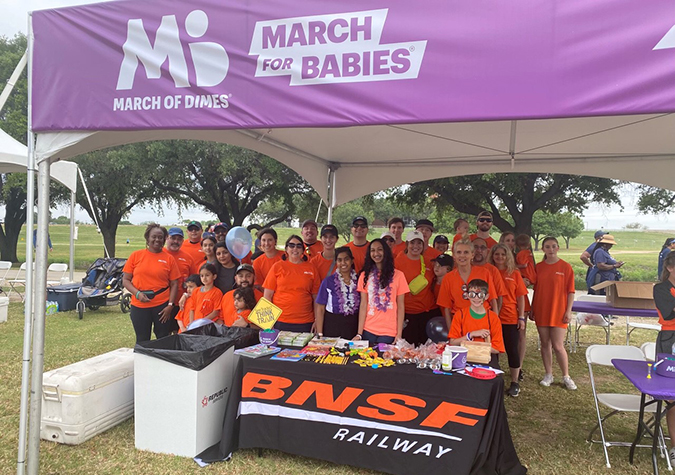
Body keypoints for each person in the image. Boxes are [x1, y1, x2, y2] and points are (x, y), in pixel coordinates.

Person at [531, 236, 576, 390]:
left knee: (558, 345)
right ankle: (548, 374)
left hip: (559, 310)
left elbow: (571, 291)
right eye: (547, 247)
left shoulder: (566, 267)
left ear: (558, 248)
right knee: (545, 344)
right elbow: (536, 290)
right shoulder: (538, 267)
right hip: (542, 309)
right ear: (543, 249)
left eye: (553, 246)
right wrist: (532, 308)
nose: (551, 249)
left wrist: (568, 310)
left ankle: (566, 376)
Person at [122, 224, 180, 343]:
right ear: (147, 238)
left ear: (164, 240)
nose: (157, 240)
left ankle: (162, 361)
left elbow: (174, 284)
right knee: (142, 339)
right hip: (139, 305)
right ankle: (143, 361)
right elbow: (126, 280)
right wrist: (137, 294)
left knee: (163, 337)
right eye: (154, 237)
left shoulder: (169, 259)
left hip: (162, 305)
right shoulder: (136, 256)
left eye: (160, 237)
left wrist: (170, 305)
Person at [489, 244, 527, 396]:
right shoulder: (489, 271)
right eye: (496, 254)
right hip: (492, 317)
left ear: (508, 256)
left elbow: (521, 297)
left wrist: (521, 317)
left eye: (503, 255)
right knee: (493, 351)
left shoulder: (514, 273)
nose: (499, 257)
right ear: (492, 256)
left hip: (510, 317)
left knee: (512, 349)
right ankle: (494, 380)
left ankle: (515, 381)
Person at [354, 239, 409, 344]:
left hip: (389, 332)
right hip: (368, 330)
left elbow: (401, 306)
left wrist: (399, 334)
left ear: (386, 252)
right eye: (372, 250)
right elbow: (363, 305)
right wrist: (359, 333)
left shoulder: (399, 275)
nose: (376, 253)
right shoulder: (364, 276)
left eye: (380, 250)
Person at [437, 237, 498, 330]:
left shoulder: (484, 273)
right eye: (459, 252)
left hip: (483, 322)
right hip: (459, 324)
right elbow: (447, 308)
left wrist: (494, 326)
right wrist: (451, 332)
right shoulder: (448, 278)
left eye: (466, 252)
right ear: (454, 255)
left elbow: (493, 301)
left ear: (472, 255)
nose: (462, 256)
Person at [263, 235, 320, 332]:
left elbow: (316, 298)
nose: (295, 249)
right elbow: (267, 296)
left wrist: (317, 320)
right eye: (291, 245)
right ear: (286, 249)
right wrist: (268, 323)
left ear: (303, 250)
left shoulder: (311, 268)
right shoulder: (277, 266)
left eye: (298, 246)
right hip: (280, 321)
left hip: (305, 322)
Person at [448, 279, 505, 368]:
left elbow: (497, 348)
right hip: (464, 359)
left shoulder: (493, 318)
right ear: (467, 296)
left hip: (485, 360)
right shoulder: (460, 315)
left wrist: (476, 348)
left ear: (486, 297)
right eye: (472, 295)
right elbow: (453, 342)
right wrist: (471, 335)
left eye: (480, 295)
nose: (476, 298)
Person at [395, 230, 439, 345]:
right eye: (412, 243)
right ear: (407, 244)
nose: (415, 246)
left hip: (427, 312)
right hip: (408, 313)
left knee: (427, 350)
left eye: (419, 243)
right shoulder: (398, 262)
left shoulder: (429, 262)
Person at [654, 252, 675, 463]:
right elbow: (670, 313)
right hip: (670, 342)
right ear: (670, 268)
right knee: (673, 396)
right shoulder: (660, 289)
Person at [315, 246, 360, 339]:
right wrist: (320, 334)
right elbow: (320, 308)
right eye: (339, 260)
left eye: (346, 259)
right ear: (336, 262)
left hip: (353, 325)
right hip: (333, 325)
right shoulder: (328, 282)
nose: (343, 263)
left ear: (352, 261)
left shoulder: (359, 280)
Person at [515, 233, 537, 379]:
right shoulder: (528, 253)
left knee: (521, 335)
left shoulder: (522, 254)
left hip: (522, 300)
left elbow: (522, 265)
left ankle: (519, 367)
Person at [164, 227, 195, 316]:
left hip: (182, 302)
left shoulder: (188, 258)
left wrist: (186, 295)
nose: (176, 241)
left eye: (179, 239)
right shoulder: (160, 254)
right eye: (173, 238)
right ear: (167, 238)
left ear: (182, 241)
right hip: (162, 301)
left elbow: (193, 280)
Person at [432, 254, 454, 320]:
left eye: (440, 265)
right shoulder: (433, 282)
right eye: (435, 264)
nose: (437, 267)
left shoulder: (451, 284)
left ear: (448, 269)